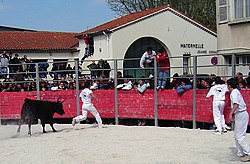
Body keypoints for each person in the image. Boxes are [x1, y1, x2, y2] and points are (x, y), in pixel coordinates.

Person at [227, 78, 250, 162]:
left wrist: (230, 113)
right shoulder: (236, 91)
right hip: (240, 113)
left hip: (241, 114)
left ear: (229, 86)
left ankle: (248, 152)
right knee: (237, 135)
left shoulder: (233, 93)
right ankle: (241, 152)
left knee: (239, 136)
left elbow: (236, 104)